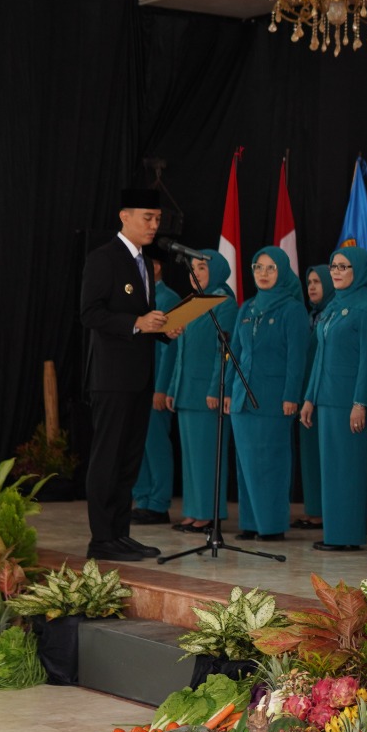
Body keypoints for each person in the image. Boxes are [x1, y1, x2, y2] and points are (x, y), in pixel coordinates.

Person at [79, 188, 180, 561]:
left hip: (139, 375)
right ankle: (101, 538)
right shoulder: (103, 258)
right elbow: (90, 313)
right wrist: (137, 322)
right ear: (125, 216)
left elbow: (144, 319)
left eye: (158, 219)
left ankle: (119, 534)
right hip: (112, 377)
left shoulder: (145, 264)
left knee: (128, 459)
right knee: (108, 456)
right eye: (147, 218)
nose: (154, 225)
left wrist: (162, 329)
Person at [300, 246, 367, 551]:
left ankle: (348, 536)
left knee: (347, 469)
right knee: (331, 469)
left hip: (348, 402)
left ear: (359, 270)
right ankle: (335, 533)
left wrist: (360, 403)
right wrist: (309, 398)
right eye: (333, 266)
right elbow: (320, 356)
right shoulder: (334, 305)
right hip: (326, 399)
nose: (336, 272)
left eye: (343, 266)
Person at [227, 247, 308, 542]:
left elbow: (297, 359)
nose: (263, 273)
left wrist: (291, 396)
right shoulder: (247, 307)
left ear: (282, 271)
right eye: (258, 267)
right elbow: (235, 353)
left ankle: (271, 526)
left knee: (271, 463)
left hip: (274, 398)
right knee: (246, 464)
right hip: (242, 398)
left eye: (271, 268)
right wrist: (228, 390)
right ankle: (251, 523)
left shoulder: (292, 309)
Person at [165, 251, 238, 535]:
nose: (195, 273)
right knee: (191, 457)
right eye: (192, 268)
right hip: (187, 391)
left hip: (207, 393)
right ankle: (194, 511)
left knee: (207, 456)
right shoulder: (192, 303)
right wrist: (173, 387)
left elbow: (225, 351)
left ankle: (209, 513)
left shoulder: (223, 303)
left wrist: (215, 388)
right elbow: (181, 351)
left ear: (216, 271)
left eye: (202, 268)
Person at [133, 255, 180, 526]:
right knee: (138, 444)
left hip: (154, 384)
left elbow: (169, 348)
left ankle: (159, 503)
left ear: (157, 266)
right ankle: (143, 499)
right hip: (137, 382)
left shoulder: (168, 298)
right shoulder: (136, 298)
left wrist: (161, 387)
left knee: (156, 445)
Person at [294, 266, 334, 531]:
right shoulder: (311, 315)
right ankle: (314, 510)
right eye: (309, 282)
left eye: (318, 282)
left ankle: (324, 513)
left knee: (324, 457)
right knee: (309, 455)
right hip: (306, 393)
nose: (311, 287)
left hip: (326, 393)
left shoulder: (332, 313)